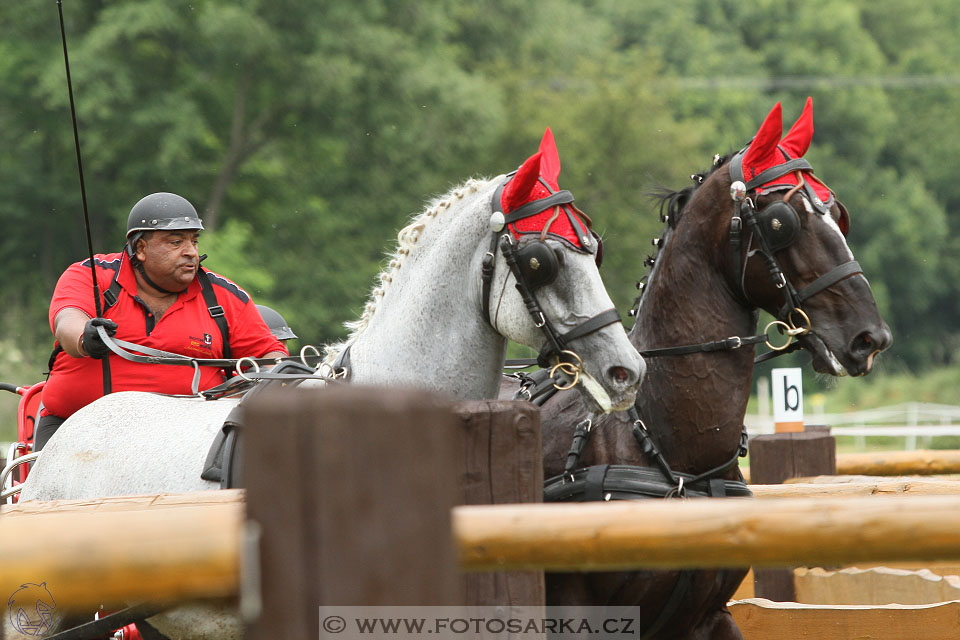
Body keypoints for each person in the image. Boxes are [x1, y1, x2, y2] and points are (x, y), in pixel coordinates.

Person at [35, 192, 287, 451]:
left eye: (194, 241)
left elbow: (270, 357)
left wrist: (267, 381)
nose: (190, 252)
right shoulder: (90, 273)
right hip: (75, 430)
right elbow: (67, 322)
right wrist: (85, 337)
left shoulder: (225, 296)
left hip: (189, 443)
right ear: (141, 248)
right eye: (176, 242)